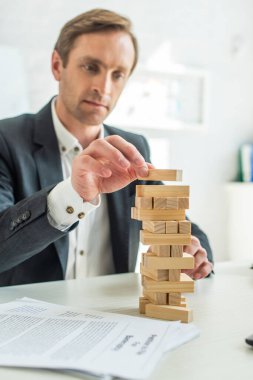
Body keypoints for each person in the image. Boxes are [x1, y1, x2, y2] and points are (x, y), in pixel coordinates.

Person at [0, 8, 213, 286]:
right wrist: (71, 195)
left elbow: (177, 225)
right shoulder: (6, 139)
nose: (104, 87)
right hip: (28, 321)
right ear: (57, 65)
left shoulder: (133, 147)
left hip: (112, 320)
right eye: (91, 67)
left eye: (118, 74)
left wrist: (195, 253)